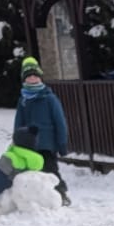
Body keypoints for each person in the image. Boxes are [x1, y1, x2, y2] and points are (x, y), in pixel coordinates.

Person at [13, 57, 71, 204]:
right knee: (33, 172)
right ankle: (40, 198)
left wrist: (62, 143)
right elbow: (19, 122)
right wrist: (17, 140)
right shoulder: (23, 100)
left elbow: (60, 122)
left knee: (50, 170)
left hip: (47, 143)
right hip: (29, 144)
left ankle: (61, 194)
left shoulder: (49, 98)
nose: (32, 79)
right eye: (29, 76)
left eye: (35, 76)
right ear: (24, 79)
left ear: (40, 78)